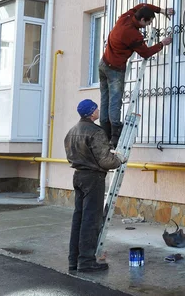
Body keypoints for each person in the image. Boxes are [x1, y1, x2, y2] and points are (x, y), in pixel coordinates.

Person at [99, 3, 174, 147]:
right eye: (149, 22)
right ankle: (115, 136)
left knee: (105, 100)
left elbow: (143, 5)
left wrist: (161, 11)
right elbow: (145, 53)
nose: (149, 25)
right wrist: (162, 44)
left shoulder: (125, 17)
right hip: (114, 69)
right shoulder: (132, 34)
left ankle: (105, 134)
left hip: (103, 64)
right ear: (142, 20)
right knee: (115, 102)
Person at [65, 99, 126, 273]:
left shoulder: (72, 131)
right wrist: (119, 160)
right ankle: (86, 262)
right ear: (92, 113)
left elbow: (72, 155)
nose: (99, 110)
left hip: (78, 176)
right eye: (97, 109)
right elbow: (106, 161)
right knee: (90, 221)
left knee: (78, 219)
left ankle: (73, 260)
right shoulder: (96, 132)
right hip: (93, 178)